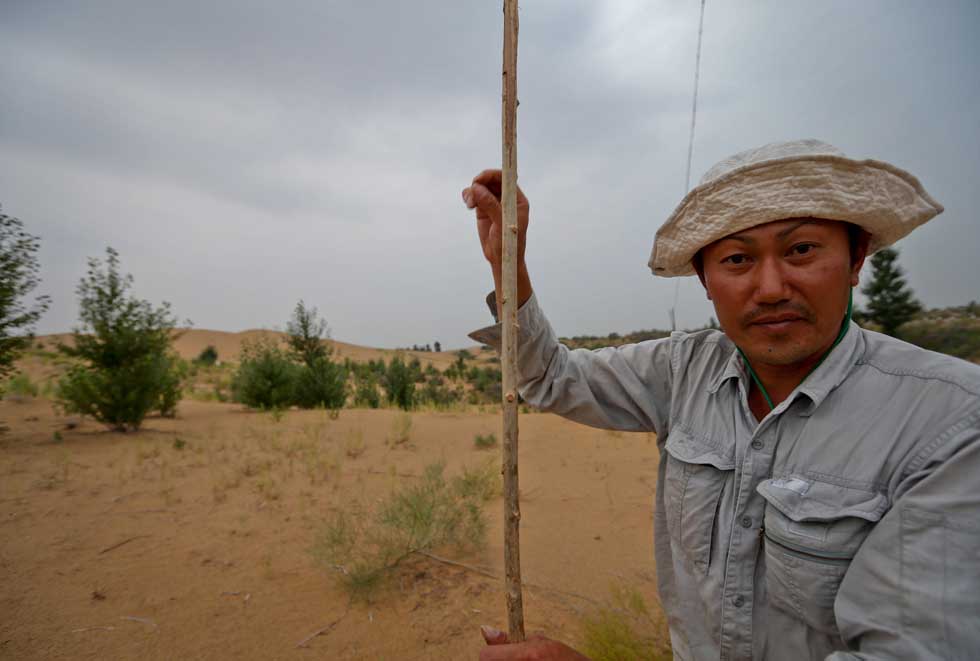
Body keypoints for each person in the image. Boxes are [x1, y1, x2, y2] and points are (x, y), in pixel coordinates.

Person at [461, 140, 980, 660]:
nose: (772, 287)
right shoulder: (684, 369)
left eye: (801, 249)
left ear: (856, 258)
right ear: (706, 281)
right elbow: (553, 376)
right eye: (737, 259)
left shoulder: (950, 422)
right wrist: (511, 266)